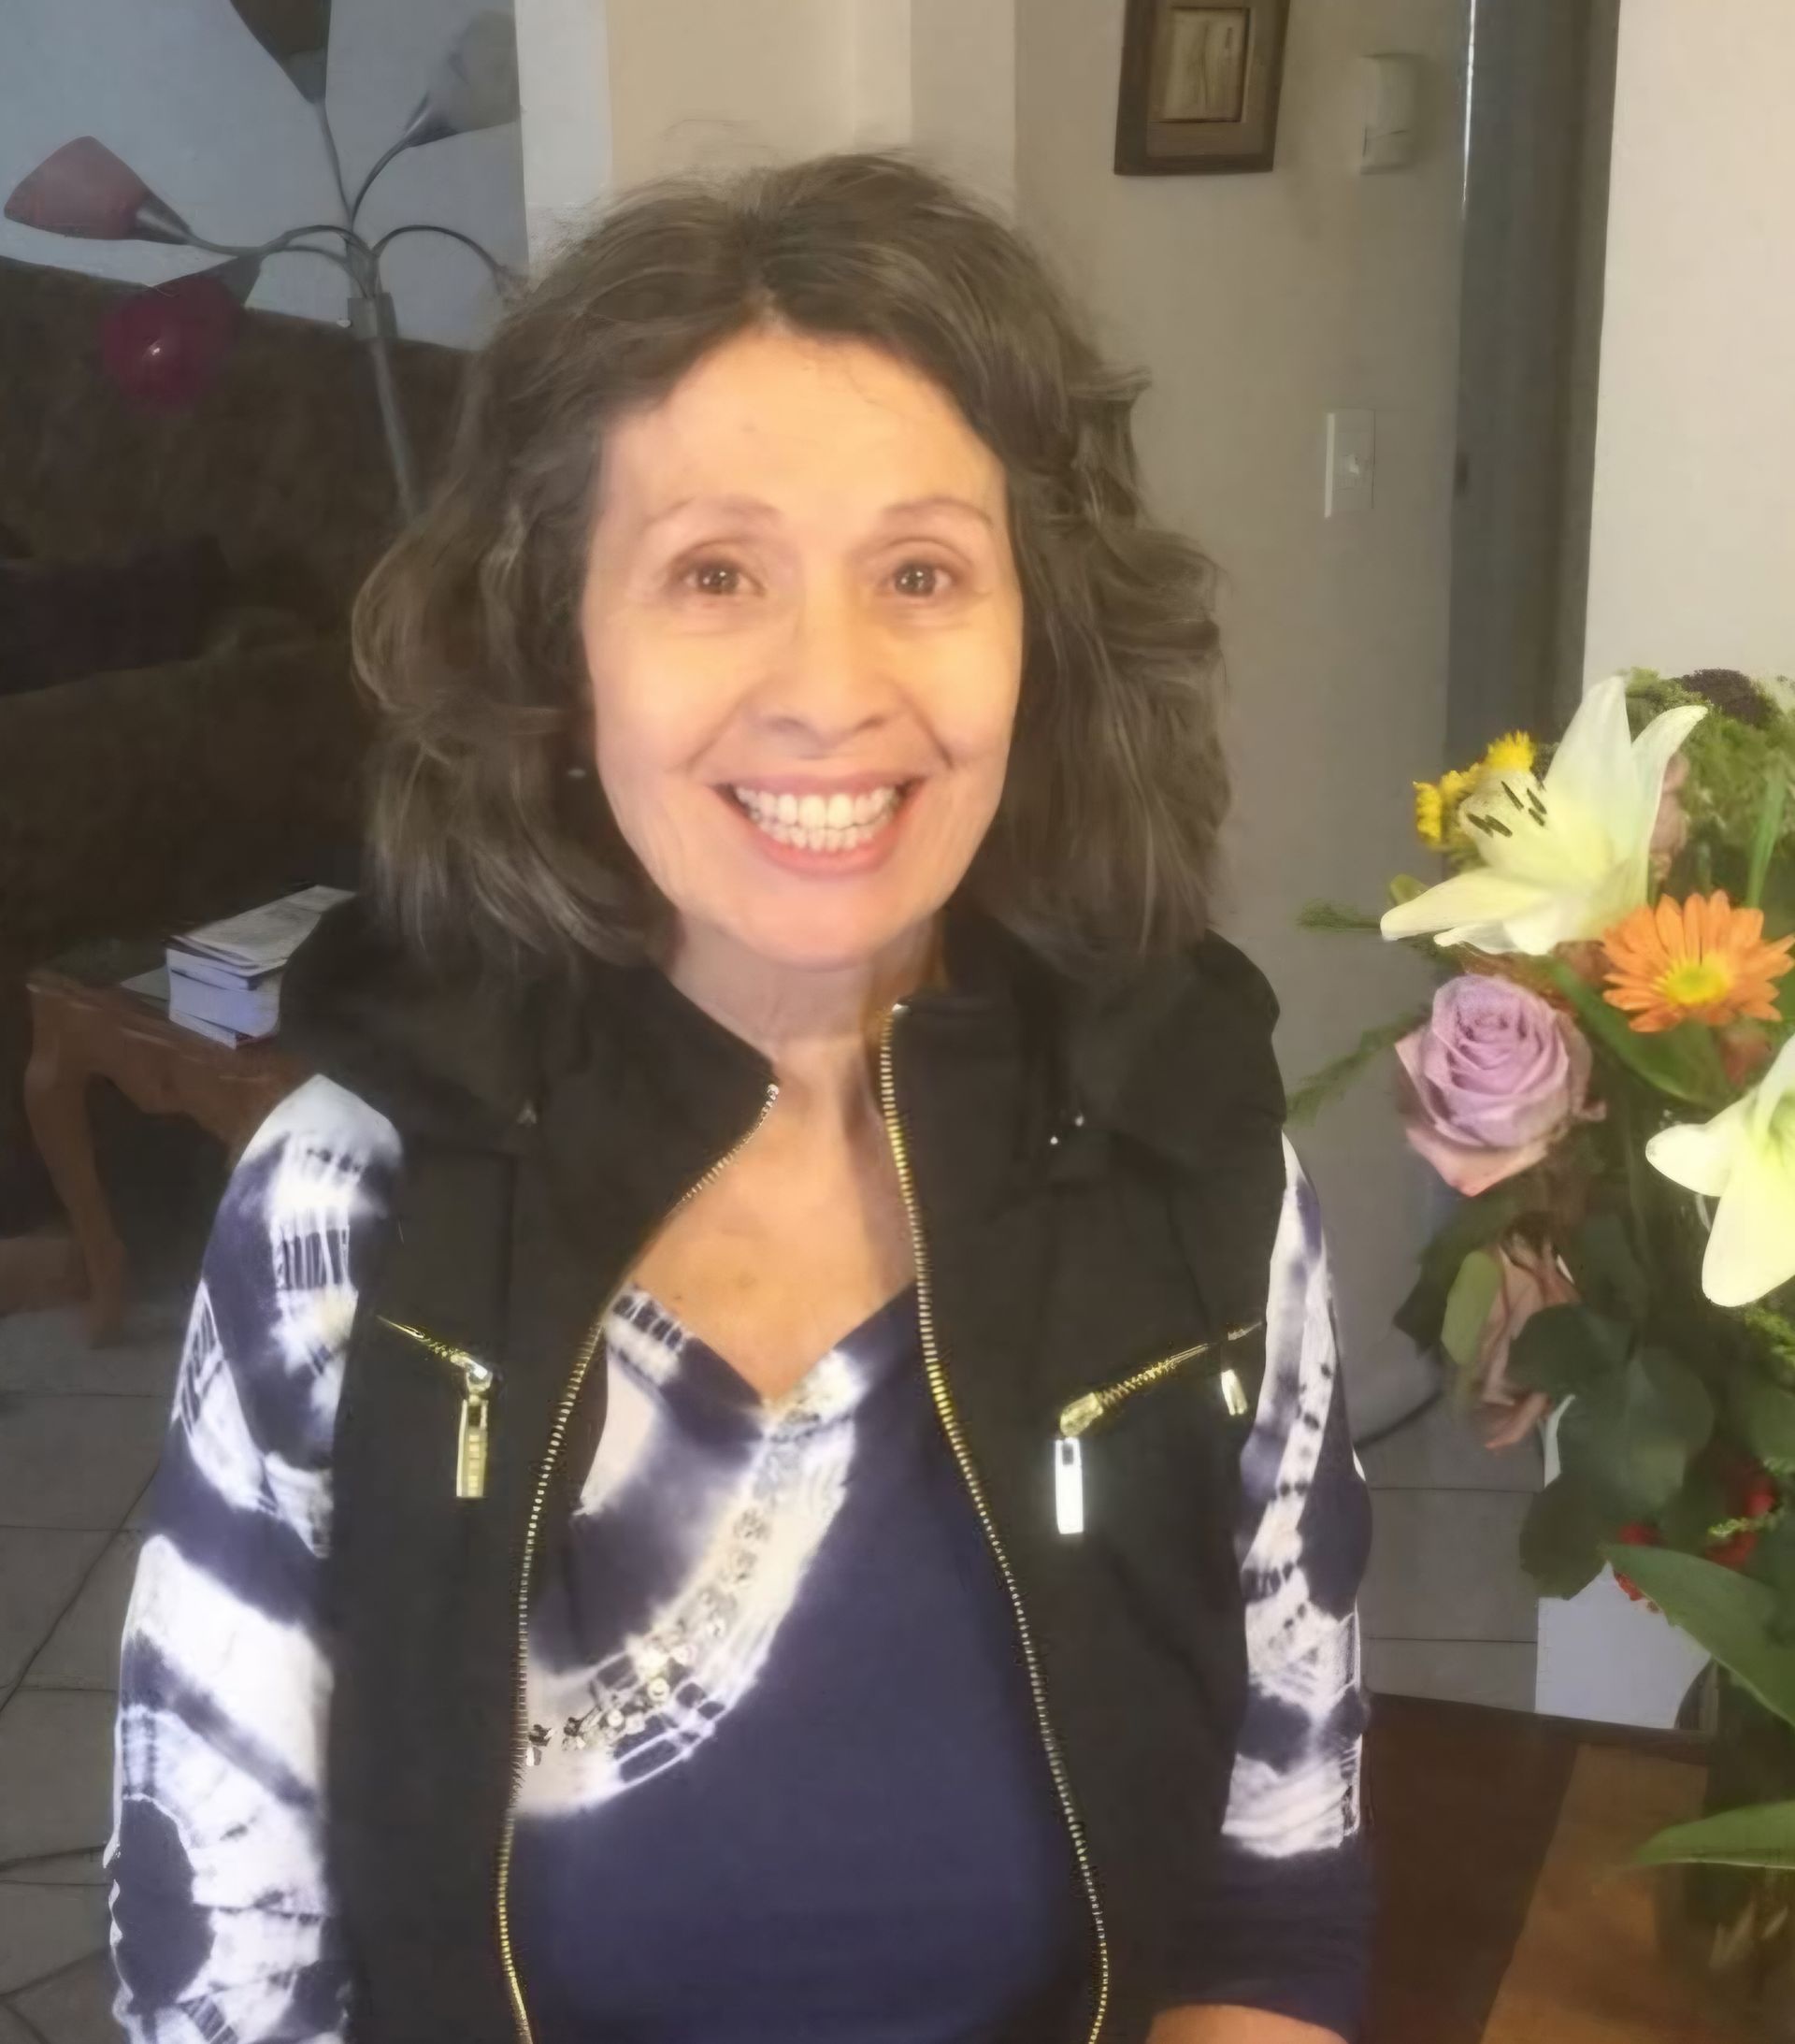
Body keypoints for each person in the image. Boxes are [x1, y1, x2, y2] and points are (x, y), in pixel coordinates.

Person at [107, 150, 1372, 2044]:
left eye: (923, 572)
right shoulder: (352, 1208)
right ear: (561, 652)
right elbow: (223, 1989)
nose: (828, 689)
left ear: (1042, 633)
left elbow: (1271, 1926)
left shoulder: (1192, 1167)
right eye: (714, 575)